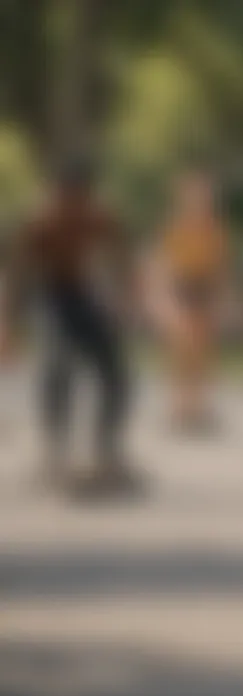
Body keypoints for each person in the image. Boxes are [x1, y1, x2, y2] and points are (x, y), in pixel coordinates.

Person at [0, 155, 139, 499]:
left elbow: (122, 254)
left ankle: (107, 450)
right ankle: (54, 451)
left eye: (78, 200)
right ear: (55, 194)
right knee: (57, 363)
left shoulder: (98, 215)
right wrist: (8, 324)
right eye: (66, 200)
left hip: (81, 291)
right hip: (47, 294)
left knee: (115, 369)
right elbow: (17, 275)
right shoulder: (40, 221)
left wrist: (126, 294)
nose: (72, 208)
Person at [150, 170, 231, 433]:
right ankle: (179, 406)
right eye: (193, 196)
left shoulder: (215, 231)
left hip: (204, 292)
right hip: (181, 290)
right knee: (181, 352)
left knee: (203, 353)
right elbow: (163, 265)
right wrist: (164, 300)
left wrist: (220, 299)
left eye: (203, 196)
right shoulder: (175, 228)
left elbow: (221, 268)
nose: (199, 201)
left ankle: (199, 406)